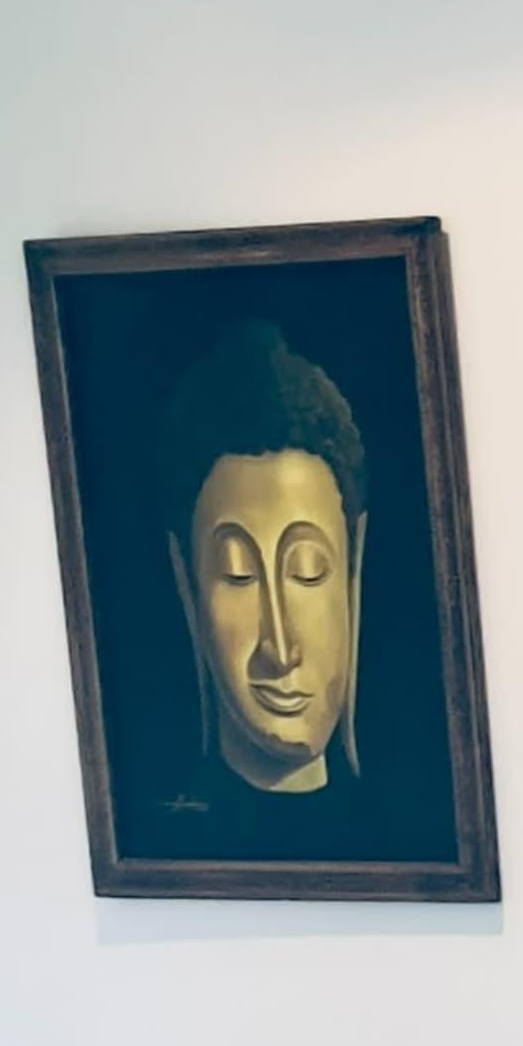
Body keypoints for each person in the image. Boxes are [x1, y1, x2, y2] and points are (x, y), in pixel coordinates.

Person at [150, 316, 375, 811]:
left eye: (308, 571)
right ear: (187, 581)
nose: (279, 647)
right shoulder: (165, 830)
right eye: (237, 574)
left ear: (353, 566)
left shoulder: (406, 825)